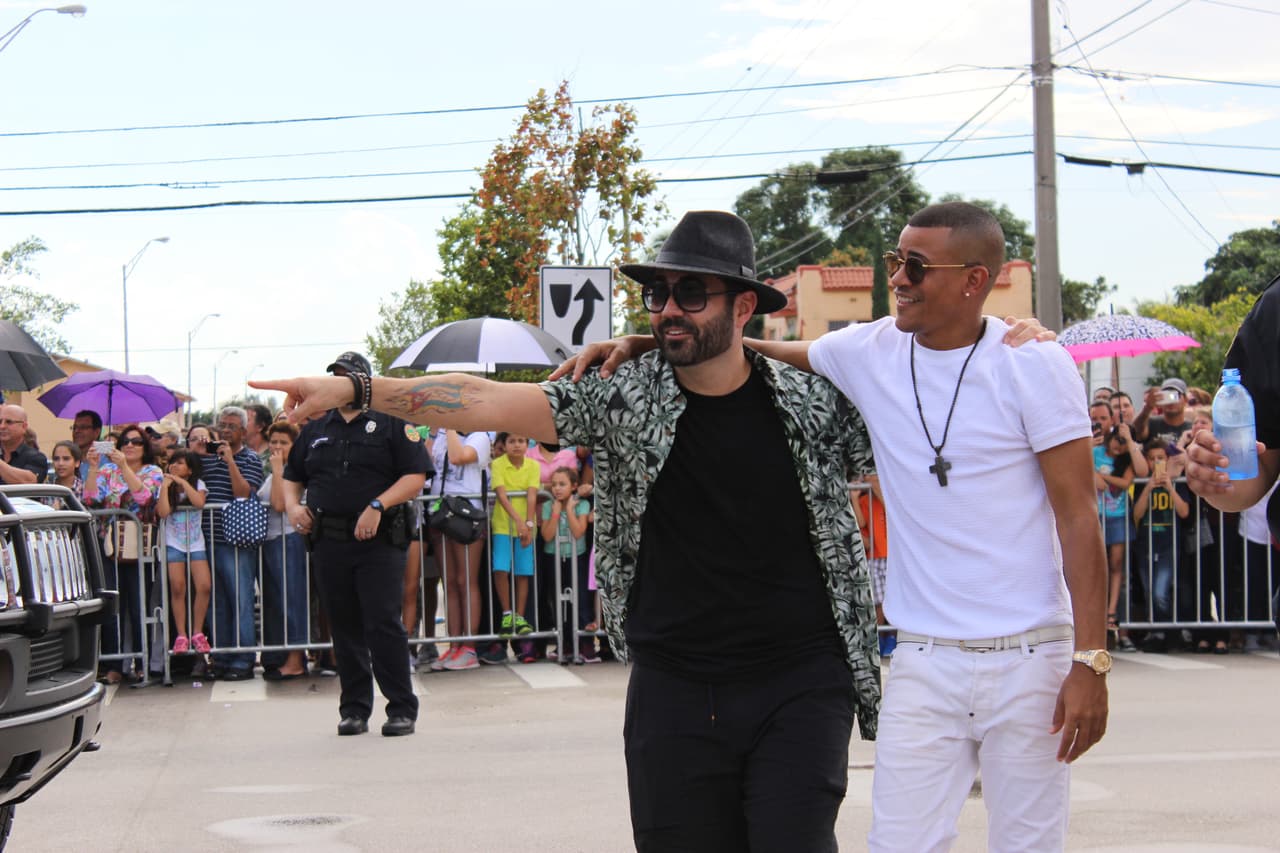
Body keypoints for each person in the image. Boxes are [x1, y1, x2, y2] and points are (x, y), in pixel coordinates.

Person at [254, 210, 883, 851]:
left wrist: (745, 348)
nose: (668, 309)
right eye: (657, 294)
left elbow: (907, 367)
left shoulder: (813, 402)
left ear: (744, 304)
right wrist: (355, 388)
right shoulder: (621, 396)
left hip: (801, 680)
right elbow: (483, 399)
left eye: (690, 294)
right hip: (676, 683)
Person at [553, 202, 1108, 852]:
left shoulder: (1033, 363)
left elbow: (1078, 516)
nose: (897, 277)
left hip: (1030, 654)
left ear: (974, 279)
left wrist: (1089, 661)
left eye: (917, 266)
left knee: (1028, 846)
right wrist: (656, 339)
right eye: (895, 260)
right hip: (925, 656)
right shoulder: (869, 349)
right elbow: (749, 346)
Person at [281, 351, 429, 737]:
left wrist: (378, 504)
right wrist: (294, 507)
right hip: (330, 539)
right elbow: (291, 475)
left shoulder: (391, 422)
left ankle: (400, 708)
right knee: (343, 626)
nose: (338, 382)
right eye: (335, 376)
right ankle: (355, 709)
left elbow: (416, 476)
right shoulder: (317, 429)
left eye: (346, 376)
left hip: (379, 540)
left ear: (363, 382)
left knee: (382, 623)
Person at [85, 424, 165, 684]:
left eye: (136, 442)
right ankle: (114, 665)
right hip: (109, 547)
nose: (129, 445)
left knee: (139, 605)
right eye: (125, 441)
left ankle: (143, 662)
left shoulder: (153, 471)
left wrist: (126, 468)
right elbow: (90, 498)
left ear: (145, 447)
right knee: (113, 607)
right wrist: (95, 466)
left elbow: (143, 498)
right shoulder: (107, 470)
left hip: (139, 547)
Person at [202, 406, 266, 681]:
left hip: (237, 539)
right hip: (207, 537)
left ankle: (243, 658)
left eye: (231, 426)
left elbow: (244, 492)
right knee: (216, 602)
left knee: (240, 599)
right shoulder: (205, 459)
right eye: (222, 425)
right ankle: (222, 655)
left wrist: (230, 461)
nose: (225, 430)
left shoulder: (251, 459)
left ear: (242, 430)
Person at [427, 427, 491, 672]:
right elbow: (426, 462)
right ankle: (454, 645)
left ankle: (469, 646)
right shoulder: (441, 434)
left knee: (466, 580)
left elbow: (458, 457)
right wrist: (434, 435)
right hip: (439, 511)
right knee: (450, 582)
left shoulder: (480, 436)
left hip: (467, 515)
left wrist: (450, 427)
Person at [260, 421, 308, 680]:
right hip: (272, 541)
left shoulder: (293, 471)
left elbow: (279, 504)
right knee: (278, 602)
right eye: (274, 441)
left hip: (288, 540)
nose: (277, 447)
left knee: (292, 601)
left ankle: (296, 659)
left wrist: (278, 469)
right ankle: (285, 655)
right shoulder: (274, 471)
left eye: (283, 443)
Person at [1132, 440, 1190, 651]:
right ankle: (1156, 632)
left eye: (1161, 459)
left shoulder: (1176, 482)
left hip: (1168, 544)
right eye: (1153, 458)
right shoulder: (1141, 483)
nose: (1157, 463)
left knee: (1160, 593)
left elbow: (1184, 512)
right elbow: (1136, 514)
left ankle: (1167, 631)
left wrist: (1169, 487)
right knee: (1149, 592)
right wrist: (1148, 488)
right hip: (1146, 545)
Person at [156, 448, 212, 656]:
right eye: (173, 462)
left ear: (190, 469)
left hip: (196, 543)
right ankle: (181, 634)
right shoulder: (166, 487)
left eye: (180, 463)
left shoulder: (198, 485)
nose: (175, 466)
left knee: (204, 585)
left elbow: (199, 503)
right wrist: (165, 487)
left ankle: (197, 632)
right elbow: (163, 512)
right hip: (174, 543)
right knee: (178, 587)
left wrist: (184, 484)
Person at [490, 433, 540, 659]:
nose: (517, 445)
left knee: (523, 572)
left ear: (527, 444)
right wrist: (518, 522)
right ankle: (507, 612)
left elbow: (531, 496)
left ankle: (519, 616)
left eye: (521, 441)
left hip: (526, 528)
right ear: (505, 445)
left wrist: (527, 524)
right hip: (503, 525)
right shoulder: (498, 464)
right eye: (512, 441)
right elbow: (501, 495)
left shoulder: (532, 466)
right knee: (500, 568)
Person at [540, 465, 595, 663]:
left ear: (574, 486)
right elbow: (547, 535)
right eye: (554, 484)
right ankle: (564, 643)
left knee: (579, 599)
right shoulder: (548, 506)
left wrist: (569, 509)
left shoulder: (582, 505)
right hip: (554, 557)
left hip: (576, 557)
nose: (557, 489)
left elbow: (579, 531)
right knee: (557, 601)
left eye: (562, 484)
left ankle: (585, 645)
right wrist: (556, 513)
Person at [1095, 427, 1135, 649]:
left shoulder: (1126, 458)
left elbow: (1126, 483)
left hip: (1117, 515)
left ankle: (1111, 611)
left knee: (1116, 565)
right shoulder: (1096, 452)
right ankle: (1099, 612)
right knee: (1096, 564)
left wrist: (1103, 476)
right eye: (1117, 440)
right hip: (1096, 514)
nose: (1118, 446)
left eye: (1123, 442)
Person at [1134, 377, 1192, 446]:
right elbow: (1136, 434)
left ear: (1186, 400)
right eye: (1166, 396)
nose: (1171, 402)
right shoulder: (1150, 423)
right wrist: (1148, 408)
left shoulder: (1192, 427)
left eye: (1175, 396)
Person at [0, 404, 47, 485]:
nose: (2, 426)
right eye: (0, 422)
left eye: (9, 422)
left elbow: (28, 482)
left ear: (24, 427)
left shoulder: (36, 457)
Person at [45, 440, 84, 509]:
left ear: (77, 463)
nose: (60, 463)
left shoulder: (83, 488)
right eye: (56, 459)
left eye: (66, 459)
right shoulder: (46, 489)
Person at [71, 409, 103, 482]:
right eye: (74, 428)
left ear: (97, 432)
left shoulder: (108, 461)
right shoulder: (69, 459)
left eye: (83, 427)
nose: (77, 431)